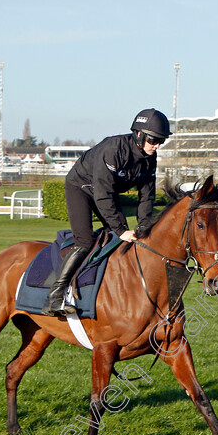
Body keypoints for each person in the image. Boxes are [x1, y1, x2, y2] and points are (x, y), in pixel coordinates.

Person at [42, 108, 170, 316]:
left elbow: (147, 196)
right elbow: (103, 195)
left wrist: (144, 226)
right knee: (85, 241)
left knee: (125, 238)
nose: (156, 146)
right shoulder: (113, 149)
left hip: (103, 190)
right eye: (153, 140)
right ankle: (55, 296)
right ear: (139, 134)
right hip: (81, 187)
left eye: (161, 142)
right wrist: (120, 229)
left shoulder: (149, 158)